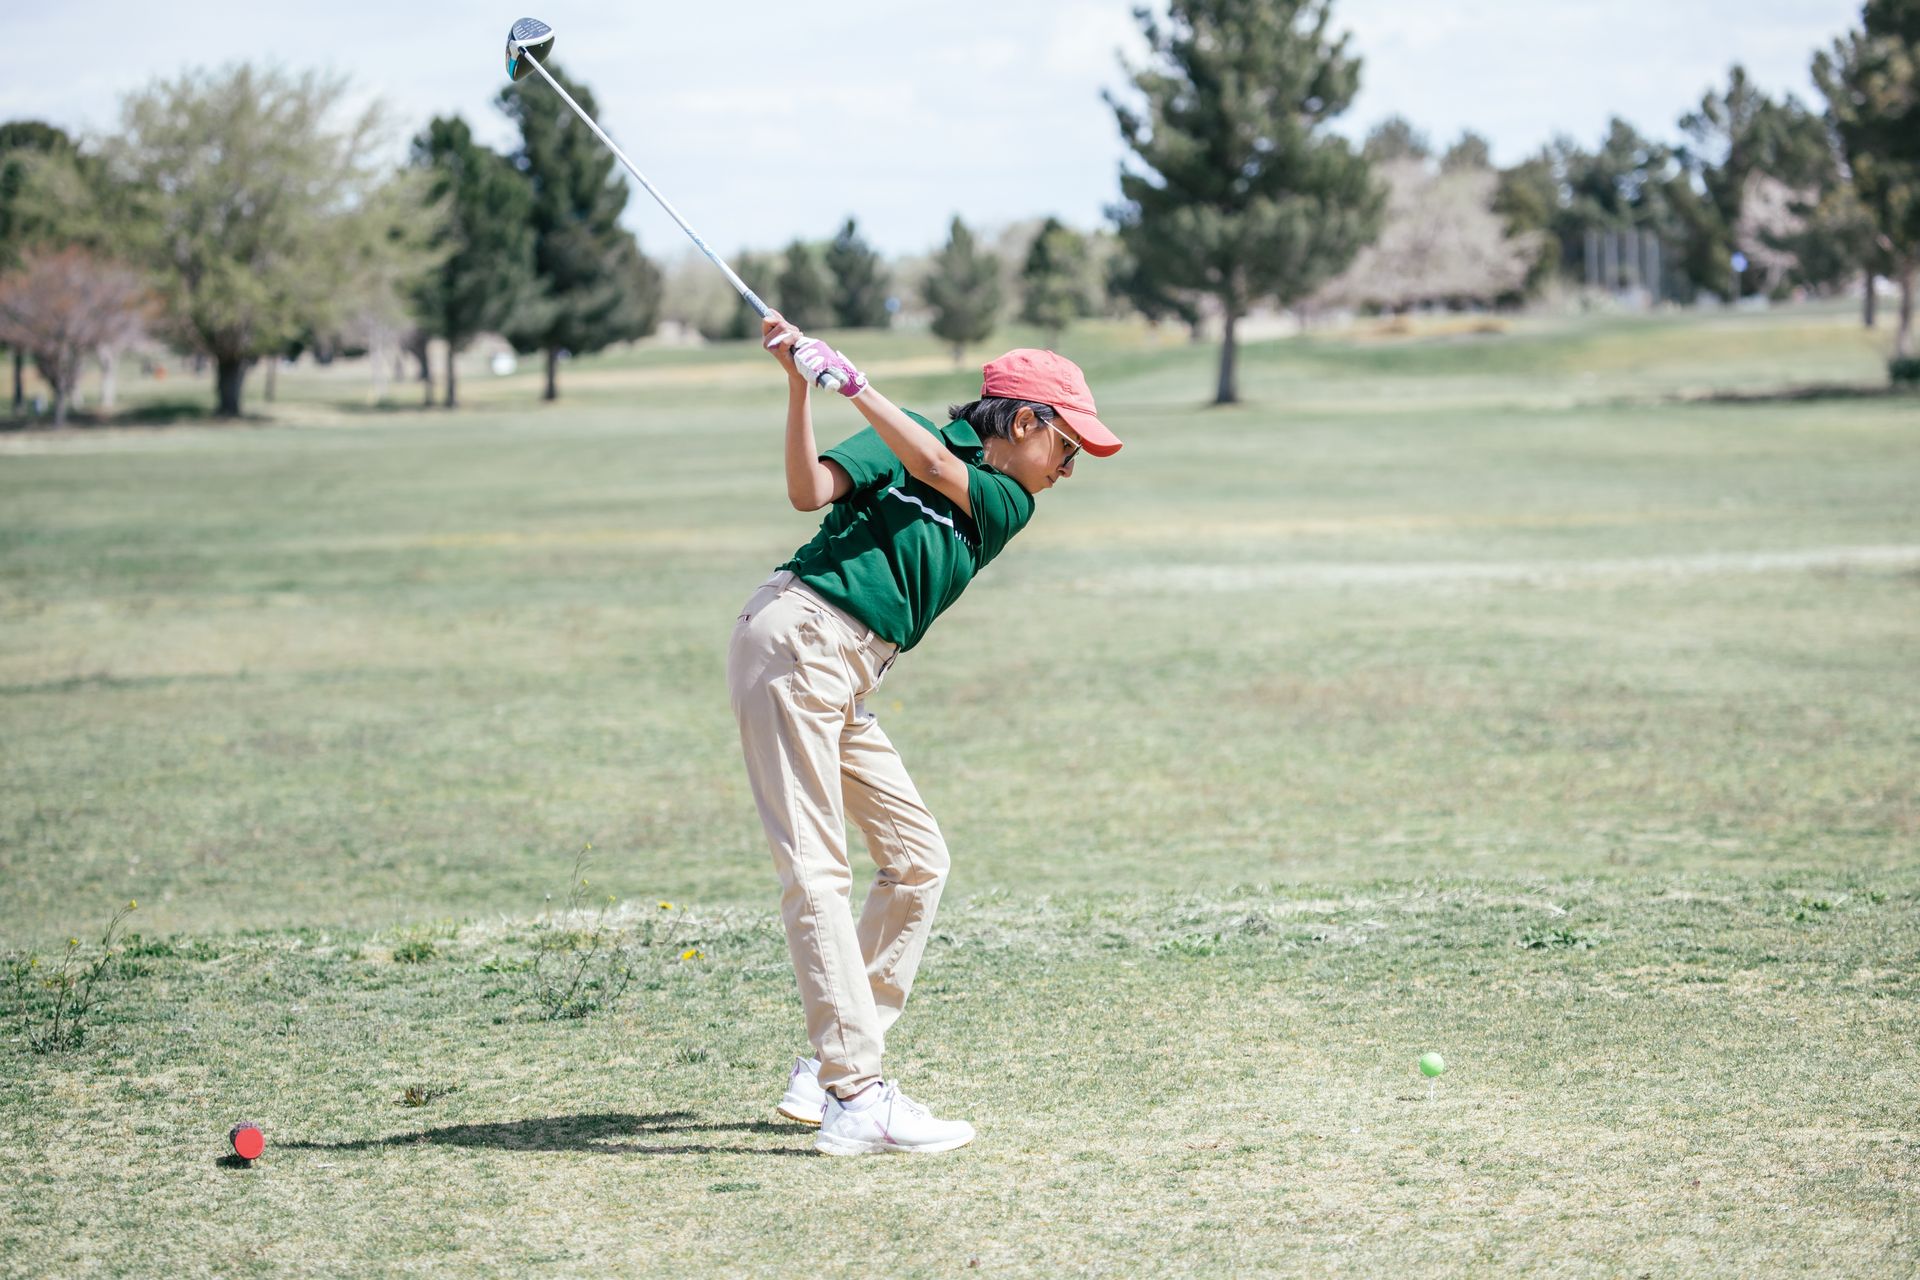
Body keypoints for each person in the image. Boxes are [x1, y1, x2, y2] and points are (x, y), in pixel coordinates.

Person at [728, 312, 1122, 1155]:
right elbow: (809, 493)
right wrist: (804, 386)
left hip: (847, 669)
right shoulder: (915, 438)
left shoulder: (1007, 498)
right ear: (1026, 423)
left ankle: (828, 1063)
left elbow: (934, 465)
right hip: (799, 636)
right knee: (817, 868)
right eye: (1068, 447)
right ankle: (856, 1092)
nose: (1069, 467)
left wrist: (856, 385)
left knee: (917, 858)